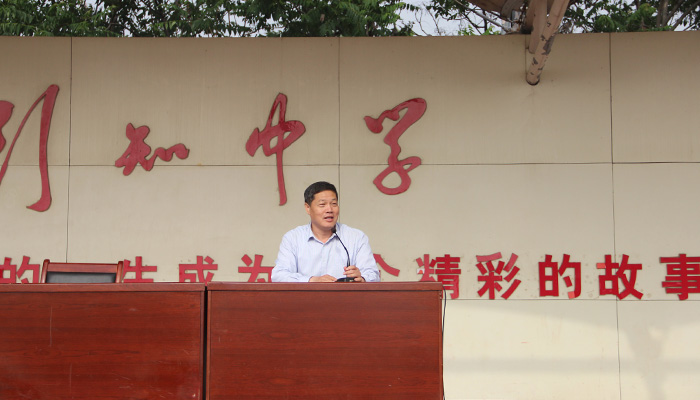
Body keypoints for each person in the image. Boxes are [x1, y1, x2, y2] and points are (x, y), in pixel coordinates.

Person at [272, 181, 380, 282]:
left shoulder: (356, 237)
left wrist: (362, 278)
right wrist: (311, 280)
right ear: (308, 208)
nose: (329, 210)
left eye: (334, 204)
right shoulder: (293, 238)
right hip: (306, 296)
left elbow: (373, 274)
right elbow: (279, 275)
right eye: (322, 205)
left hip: (345, 296)